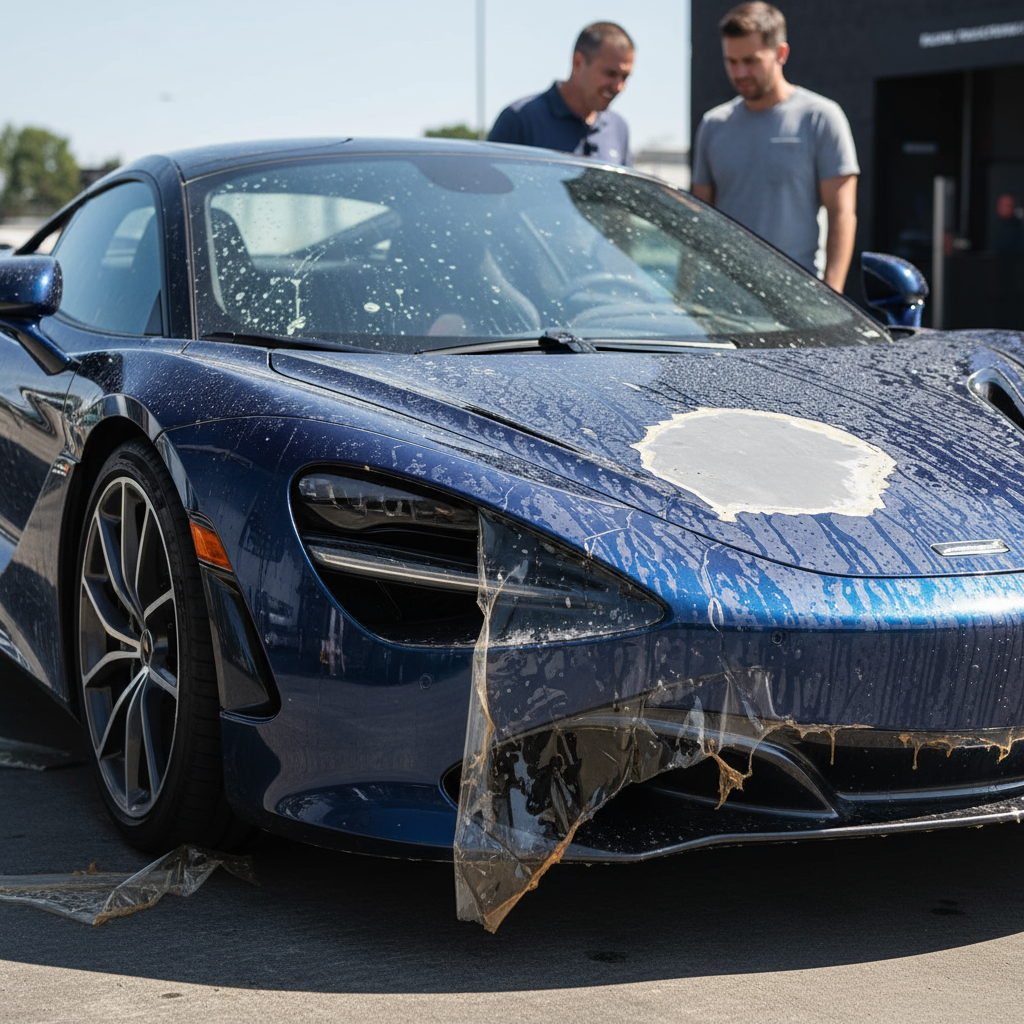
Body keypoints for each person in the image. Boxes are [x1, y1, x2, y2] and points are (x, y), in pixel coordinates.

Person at [691, 3, 859, 290]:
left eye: (750, 61)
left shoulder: (820, 118)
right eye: (731, 62)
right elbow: (698, 219)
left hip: (796, 298)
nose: (740, 72)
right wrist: (686, 294)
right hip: (722, 298)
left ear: (781, 53)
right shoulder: (713, 124)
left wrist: (833, 295)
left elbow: (841, 212)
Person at [488, 22, 634, 166]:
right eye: (611, 73)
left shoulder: (618, 129)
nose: (619, 86)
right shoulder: (520, 120)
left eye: (625, 77)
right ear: (578, 62)